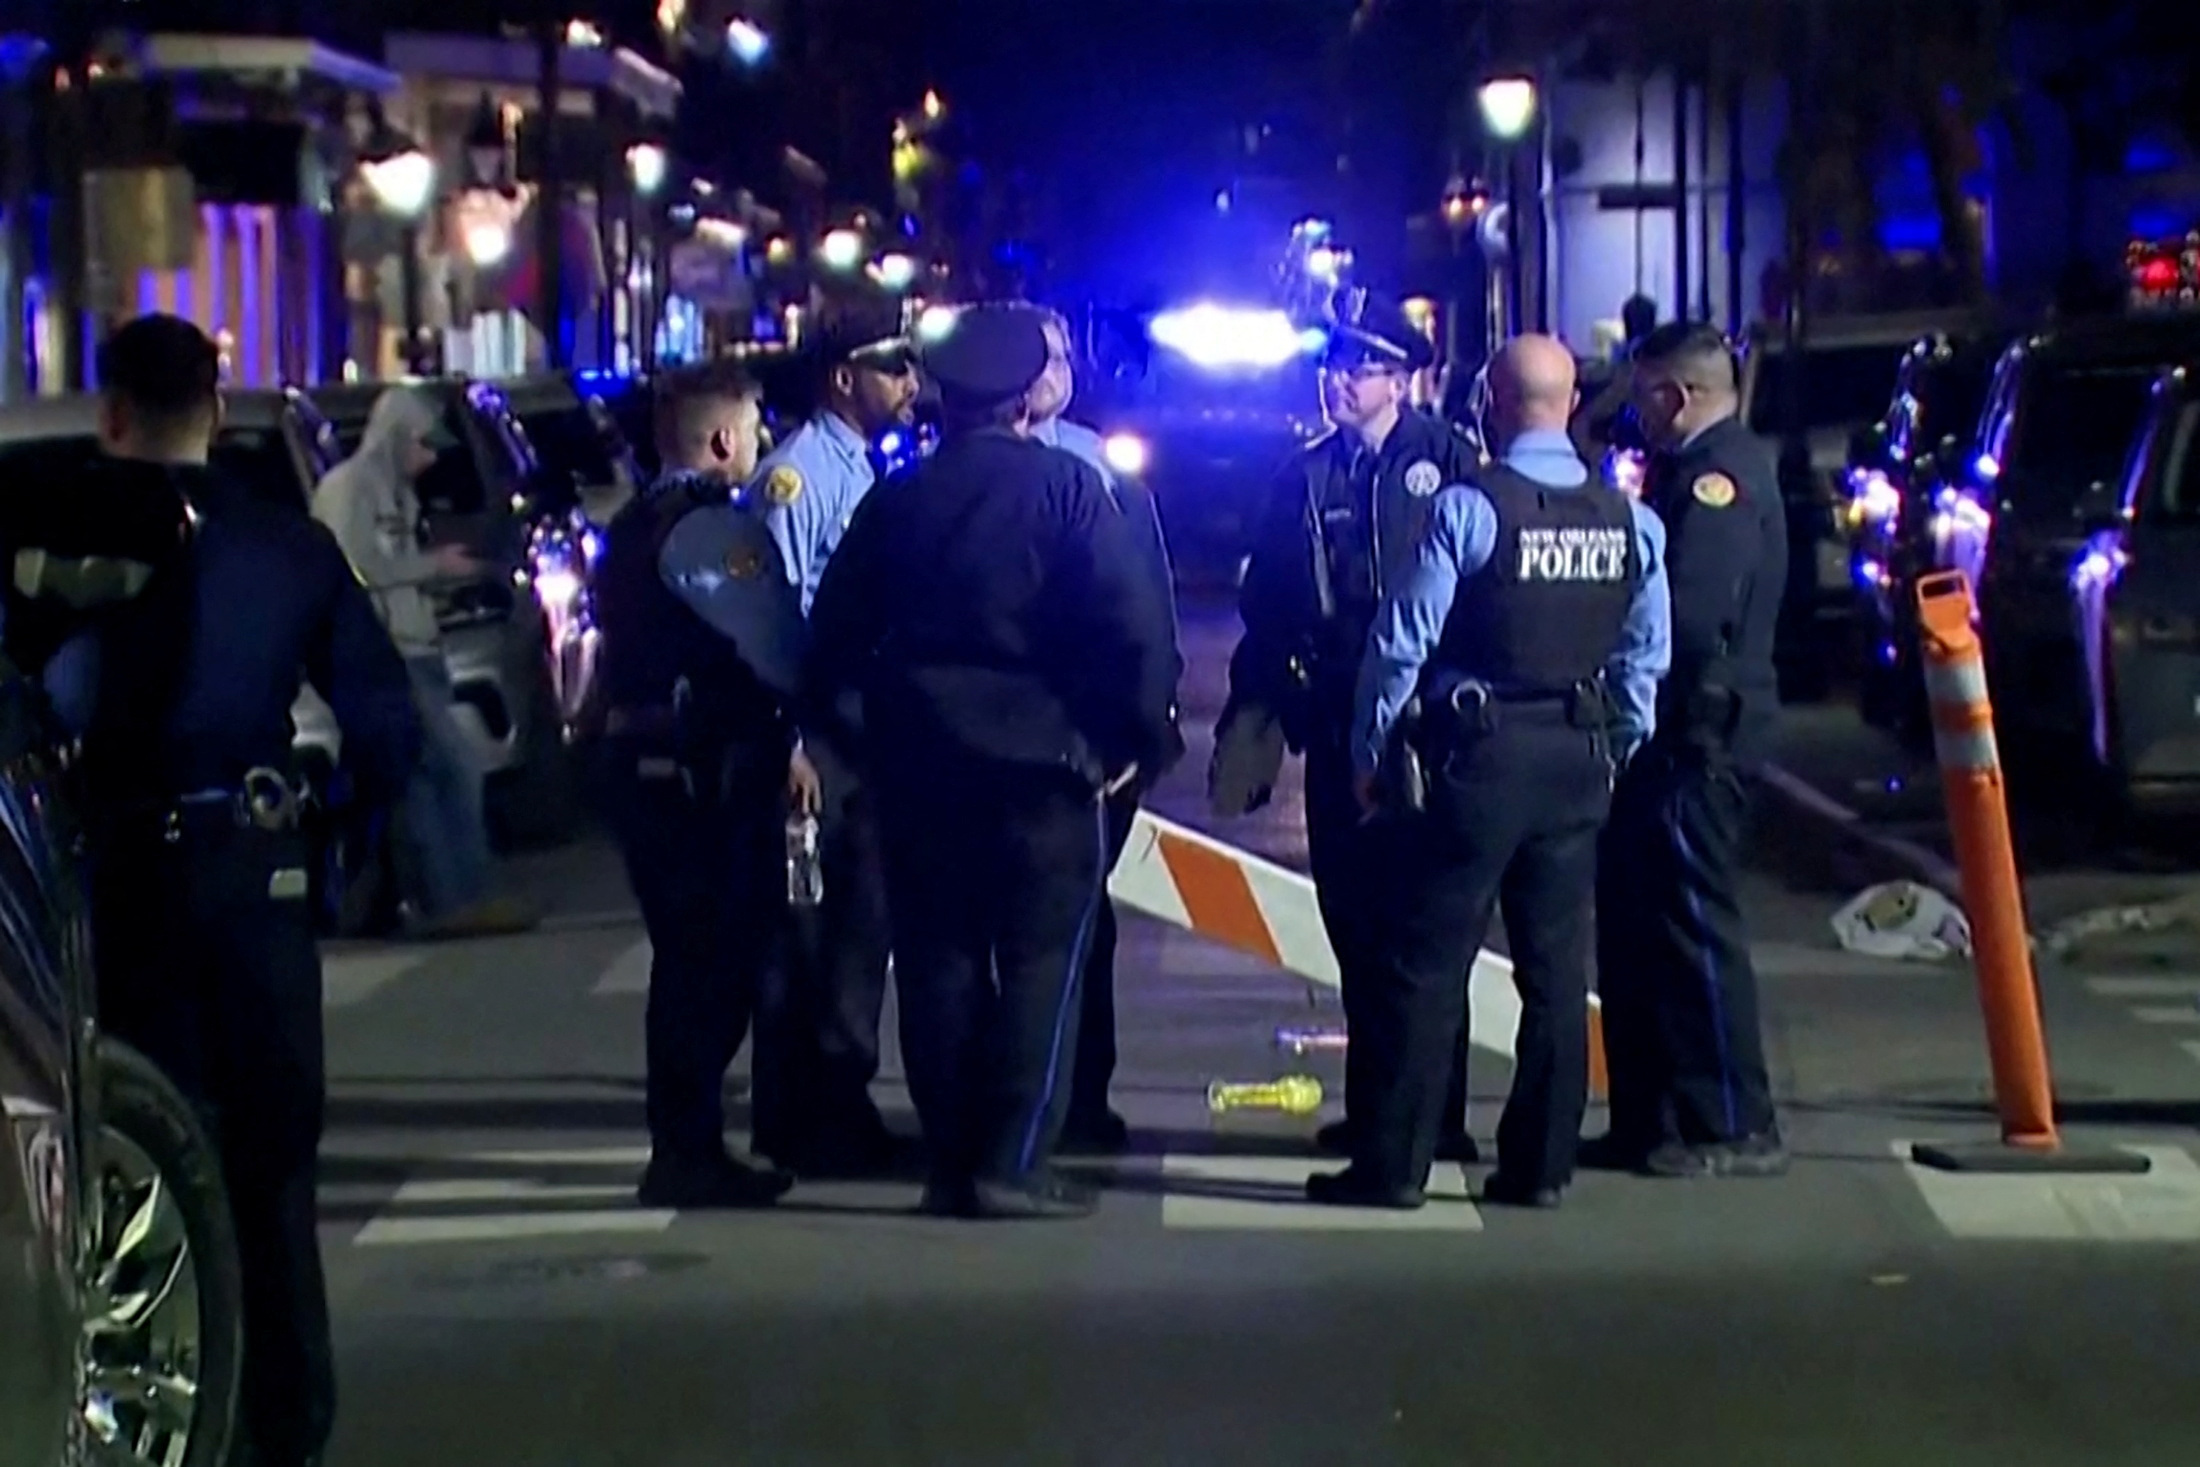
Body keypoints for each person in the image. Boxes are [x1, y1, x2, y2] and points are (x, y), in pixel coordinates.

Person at [0, 314, 421, 1467]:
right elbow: (386, 727)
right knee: (273, 1165)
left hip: (118, 875)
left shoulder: (45, 546)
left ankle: (175, 1411)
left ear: (112, 414)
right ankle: (289, 1422)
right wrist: (334, 840)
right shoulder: (282, 547)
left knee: (139, 1153)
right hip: (254, 867)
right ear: (218, 411)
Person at [806, 303, 1179, 1219]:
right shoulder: (1067, 491)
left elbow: (833, 641)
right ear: (1024, 399)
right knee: (1042, 964)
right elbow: (1133, 631)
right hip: (1045, 767)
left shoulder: (896, 499)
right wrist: (1128, 744)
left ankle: (950, 1156)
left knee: (938, 962)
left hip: (921, 766)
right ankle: (1012, 1157)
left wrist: (869, 738)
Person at [1317, 334, 1669, 1210]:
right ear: (1570, 403)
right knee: (1553, 971)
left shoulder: (1470, 510)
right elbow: (1643, 655)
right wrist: (1618, 744)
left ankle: (1395, 1165)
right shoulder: (1631, 519)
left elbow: (1402, 642)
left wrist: (1372, 753)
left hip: (1479, 758)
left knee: (1425, 963)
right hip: (1578, 757)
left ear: (1495, 404)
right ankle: (1542, 1165)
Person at [1213, 291, 1483, 1166]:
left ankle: (1434, 1117)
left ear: (1401, 381)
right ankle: (1378, 1110)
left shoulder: (1449, 461)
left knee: (1425, 932)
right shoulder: (1305, 474)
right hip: (1336, 721)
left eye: (1358, 368)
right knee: (1355, 926)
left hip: (1426, 727)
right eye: (1331, 367)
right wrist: (1248, 727)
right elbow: (1270, 606)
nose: (1337, 381)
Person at [592, 360, 799, 1209]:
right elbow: (775, 652)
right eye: (751, 427)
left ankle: (686, 1142)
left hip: (645, 769)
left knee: (686, 961)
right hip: (705, 777)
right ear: (722, 440)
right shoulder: (717, 532)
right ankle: (689, 1147)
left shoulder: (633, 523)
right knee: (714, 966)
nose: (758, 440)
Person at [1588, 320, 1789, 1179]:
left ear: (1676, 395)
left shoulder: (1720, 481)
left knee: (1695, 929)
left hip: (1697, 738)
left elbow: (1691, 613)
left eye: (1642, 396)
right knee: (1642, 932)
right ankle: (1655, 1118)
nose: (1636, 414)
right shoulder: (1694, 472)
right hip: (1669, 739)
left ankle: (1734, 1120)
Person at [753, 296, 922, 1174]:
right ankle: (806, 1115)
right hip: (819, 736)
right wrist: (788, 742)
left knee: (859, 926)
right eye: (893, 367)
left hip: (857, 730)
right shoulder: (799, 476)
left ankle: (833, 1101)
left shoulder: (863, 465)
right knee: (815, 930)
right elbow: (770, 617)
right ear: (843, 376)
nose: (909, 383)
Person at [1029, 305, 1184, 1151]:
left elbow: (1146, 608)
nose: (1053, 372)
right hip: (1015, 734)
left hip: (1090, 744)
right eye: (1038, 357)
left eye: (1061, 355)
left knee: (1087, 925)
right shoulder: (967, 470)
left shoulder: (1102, 468)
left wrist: (1142, 730)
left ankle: (1082, 1097)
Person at [311, 385, 537, 938]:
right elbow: (351, 568)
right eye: (424, 445)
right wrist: (432, 566)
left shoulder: (398, 491)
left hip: (417, 646)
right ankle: (455, 896)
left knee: (427, 778)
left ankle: (449, 895)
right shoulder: (348, 491)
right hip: (386, 654)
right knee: (453, 766)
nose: (431, 459)